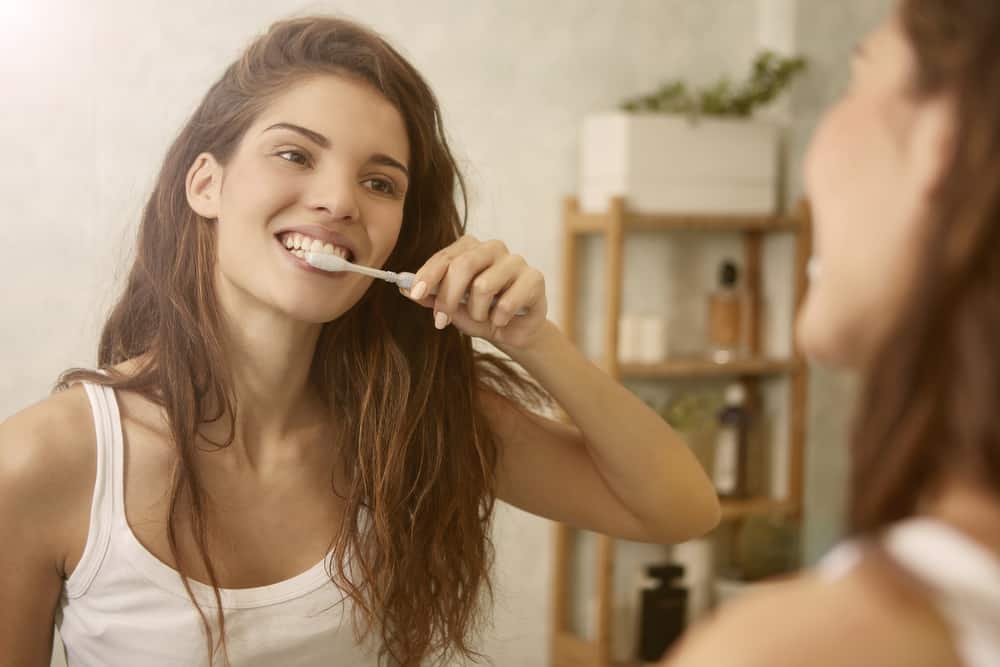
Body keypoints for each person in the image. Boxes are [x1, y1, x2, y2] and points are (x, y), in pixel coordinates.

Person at [0, 15, 720, 667]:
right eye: (294, 155)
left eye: (380, 181)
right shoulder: (46, 462)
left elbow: (680, 509)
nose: (340, 200)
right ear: (206, 184)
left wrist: (535, 341)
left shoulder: (415, 419)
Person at [665, 1, 1000, 665]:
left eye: (854, 82)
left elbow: (673, 503)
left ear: (944, 137)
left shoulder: (803, 648)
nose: (809, 156)